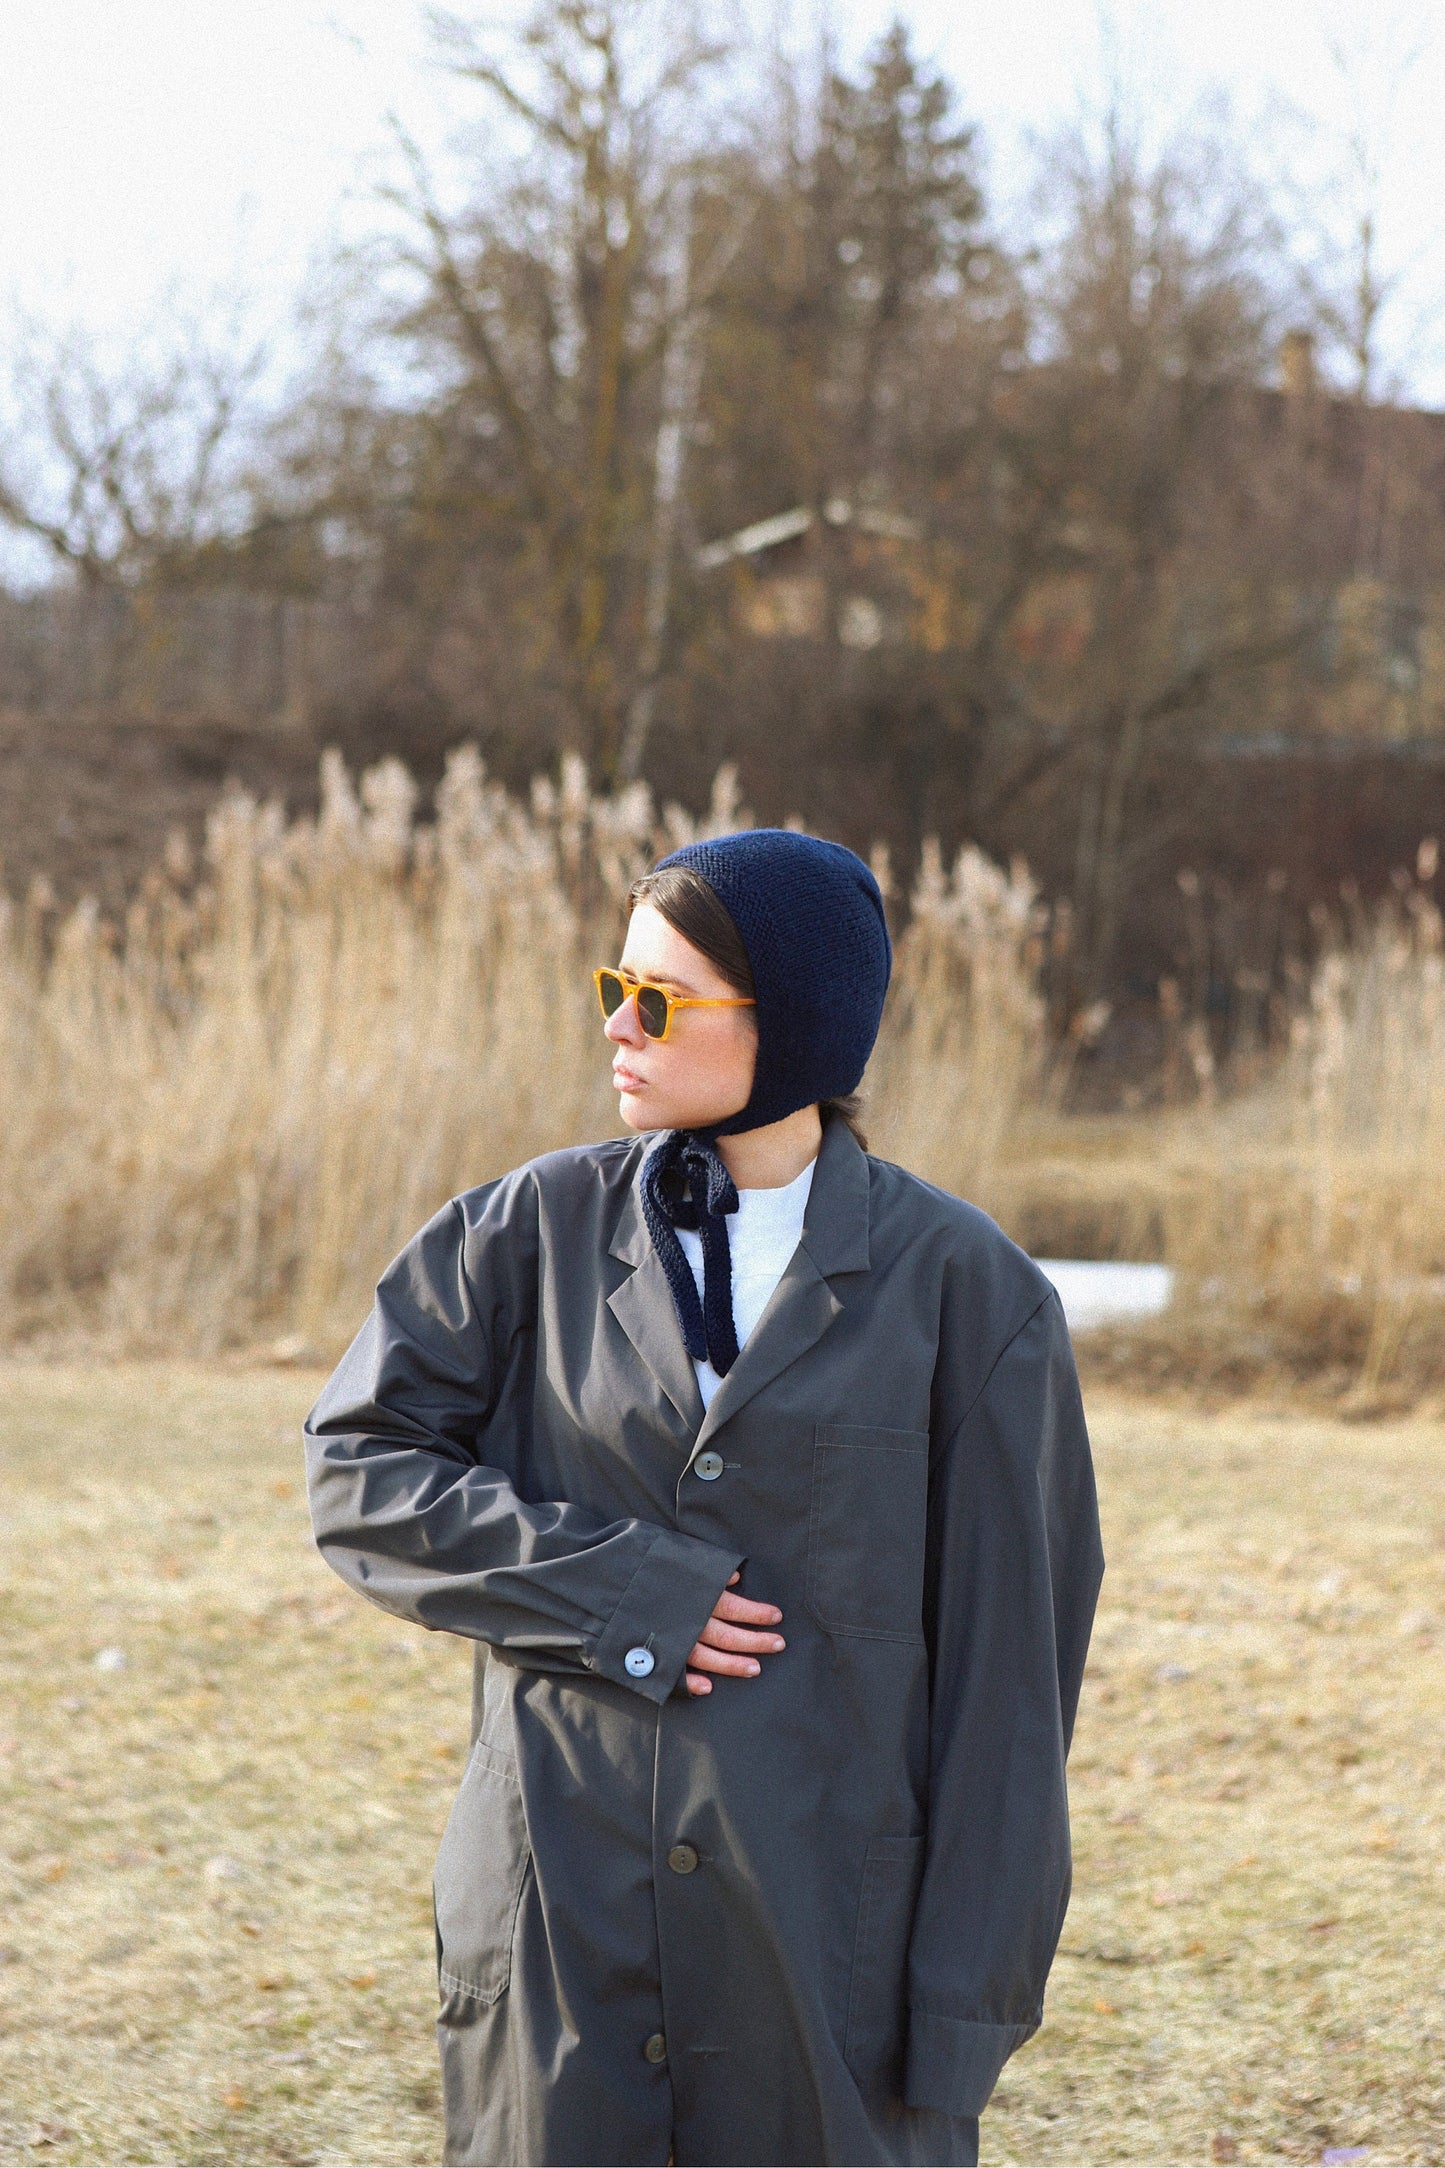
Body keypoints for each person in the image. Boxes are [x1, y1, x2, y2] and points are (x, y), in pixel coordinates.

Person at [303, 828, 1104, 2168]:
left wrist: (961, 2016)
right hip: (560, 1929)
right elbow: (357, 1466)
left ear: (790, 1025)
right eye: (610, 988)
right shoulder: (522, 1234)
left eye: (658, 1000)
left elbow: (1008, 1696)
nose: (617, 1028)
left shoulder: (968, 1293)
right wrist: (617, 1588)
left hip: (824, 1961)